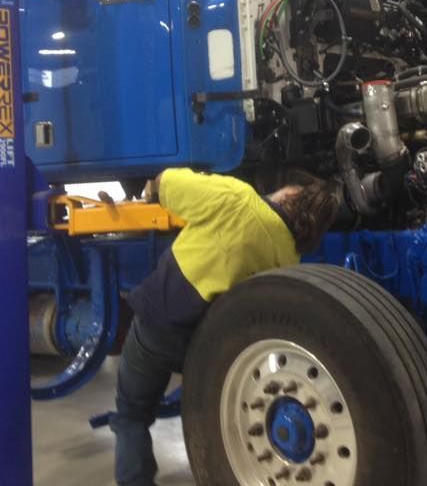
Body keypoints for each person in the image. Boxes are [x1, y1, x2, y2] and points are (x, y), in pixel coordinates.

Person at [110, 168, 340, 486]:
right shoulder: (289, 257)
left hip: (157, 324)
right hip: (200, 349)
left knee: (131, 413)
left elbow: (168, 185)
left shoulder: (237, 198)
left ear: (289, 195)